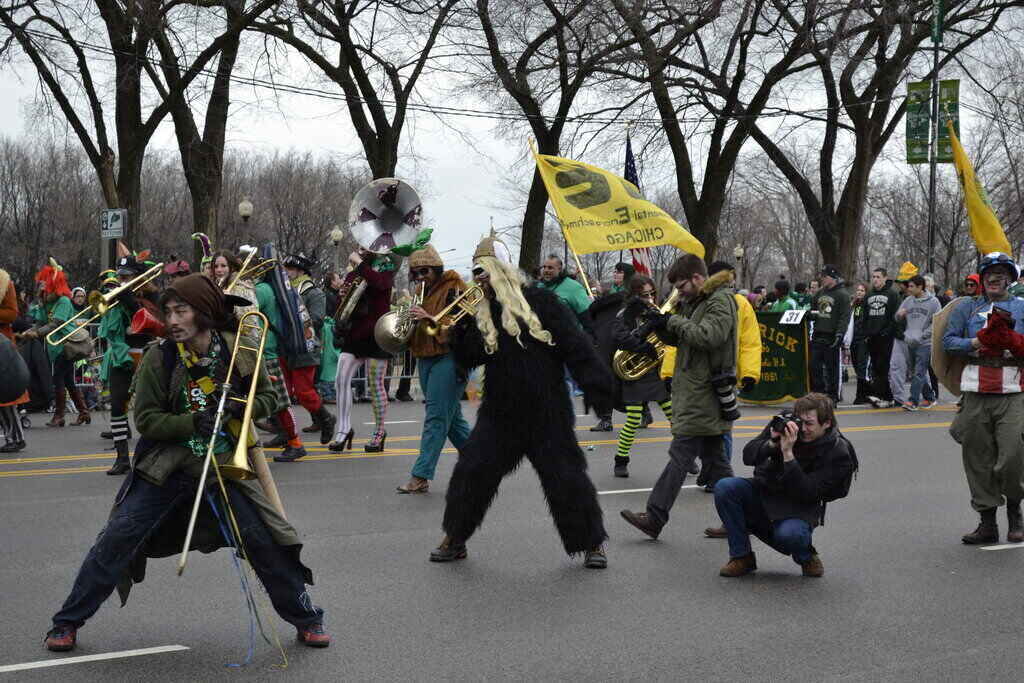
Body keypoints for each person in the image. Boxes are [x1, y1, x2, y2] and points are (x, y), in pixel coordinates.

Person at [43, 274, 329, 652]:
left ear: (204, 312)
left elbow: (271, 397)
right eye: (169, 312)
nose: (173, 320)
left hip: (221, 465)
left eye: (182, 311)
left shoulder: (235, 349)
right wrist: (192, 422)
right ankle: (66, 623)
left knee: (265, 540)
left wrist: (236, 408)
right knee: (117, 539)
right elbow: (145, 421)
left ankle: (308, 619)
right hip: (165, 466)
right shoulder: (158, 358)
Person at [430, 233, 613, 569]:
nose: (478, 279)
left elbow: (576, 346)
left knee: (567, 477)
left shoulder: (542, 303)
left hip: (548, 412)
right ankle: (455, 538)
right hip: (500, 414)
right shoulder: (478, 314)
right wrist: (452, 337)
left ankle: (592, 543)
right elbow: (470, 357)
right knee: (472, 471)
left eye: (484, 271)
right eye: (475, 272)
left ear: (503, 271)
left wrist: (598, 389)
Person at [619, 254, 738, 540]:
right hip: (698, 391)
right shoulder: (697, 302)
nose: (679, 292)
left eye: (682, 285)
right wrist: (656, 321)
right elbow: (680, 338)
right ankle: (742, 518)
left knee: (680, 456)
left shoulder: (720, 301)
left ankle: (655, 517)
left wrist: (672, 321)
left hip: (704, 393)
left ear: (698, 278)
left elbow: (709, 337)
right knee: (717, 463)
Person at [714, 393, 856, 577]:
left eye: (809, 423)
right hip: (767, 490)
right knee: (726, 488)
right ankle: (742, 557)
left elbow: (808, 491)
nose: (802, 429)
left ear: (827, 423)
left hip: (799, 506)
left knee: (790, 535)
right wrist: (772, 443)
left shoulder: (838, 452)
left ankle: (806, 555)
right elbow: (748, 456)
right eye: (800, 421)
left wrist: (788, 454)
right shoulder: (788, 424)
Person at [943, 252, 1024, 544]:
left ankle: (1015, 513)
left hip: (1012, 391)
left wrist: (1011, 341)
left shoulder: (1021, 307)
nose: (995, 277)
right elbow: (948, 342)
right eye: (990, 272)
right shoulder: (966, 308)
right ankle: (987, 521)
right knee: (977, 459)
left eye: (1002, 272)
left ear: (1010, 279)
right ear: (982, 278)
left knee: (1013, 454)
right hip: (975, 390)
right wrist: (977, 341)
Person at [393, 245, 472, 493]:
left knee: (436, 418)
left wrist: (427, 317)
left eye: (424, 271)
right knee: (452, 420)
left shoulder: (456, 287)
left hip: (448, 358)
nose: (420, 277)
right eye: (415, 273)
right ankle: (481, 460)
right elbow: (419, 330)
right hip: (424, 358)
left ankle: (421, 475)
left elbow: (457, 329)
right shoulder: (421, 290)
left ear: (437, 268)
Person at [100, 254, 163, 475]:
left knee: (149, 407)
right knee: (117, 405)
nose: (123, 280)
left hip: (145, 354)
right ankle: (121, 458)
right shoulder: (117, 296)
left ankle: (152, 456)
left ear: (138, 276)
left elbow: (151, 321)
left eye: (127, 276)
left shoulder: (152, 295)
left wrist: (129, 299)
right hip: (121, 355)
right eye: (120, 276)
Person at [329, 249, 395, 453]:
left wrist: (359, 265)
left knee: (375, 385)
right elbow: (344, 305)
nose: (363, 248)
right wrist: (341, 295)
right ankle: (343, 429)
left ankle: (379, 431)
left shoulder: (386, 266)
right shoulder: (353, 273)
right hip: (355, 334)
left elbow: (381, 284)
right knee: (340, 379)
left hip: (378, 334)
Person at [610, 276, 673, 478]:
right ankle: (621, 461)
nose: (650, 297)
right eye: (645, 294)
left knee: (674, 416)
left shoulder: (654, 311)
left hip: (654, 371)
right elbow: (620, 337)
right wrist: (643, 347)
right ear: (635, 295)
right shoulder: (625, 313)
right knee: (634, 418)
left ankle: (683, 457)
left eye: (652, 293)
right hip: (634, 373)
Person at [275, 253, 335, 459]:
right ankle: (285, 432)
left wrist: (293, 320)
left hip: (304, 347)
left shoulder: (314, 293)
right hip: (285, 347)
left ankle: (327, 420)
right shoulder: (283, 290)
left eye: (290, 269)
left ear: (300, 271)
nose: (287, 273)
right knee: (281, 392)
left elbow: (317, 319)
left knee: (303, 392)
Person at [22, 260, 91, 427]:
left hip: (67, 345)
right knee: (68, 380)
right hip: (55, 347)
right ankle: (84, 412)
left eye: (45, 282)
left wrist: (37, 332)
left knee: (58, 378)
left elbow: (56, 323)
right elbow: (40, 322)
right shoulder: (45, 302)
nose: (42, 285)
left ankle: (60, 415)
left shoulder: (64, 301)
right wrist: (29, 332)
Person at [587, 261, 635, 432]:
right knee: (607, 379)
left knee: (625, 381)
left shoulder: (628, 295)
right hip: (607, 342)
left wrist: (599, 302)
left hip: (621, 342)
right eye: (615, 271)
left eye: (620, 272)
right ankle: (606, 419)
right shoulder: (613, 293)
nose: (615, 274)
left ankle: (643, 412)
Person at [896, 275, 940, 411]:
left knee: (919, 372)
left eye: (911, 286)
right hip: (910, 342)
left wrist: (923, 335)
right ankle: (930, 397)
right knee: (915, 372)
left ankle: (913, 401)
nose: (908, 289)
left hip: (925, 343)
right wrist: (899, 315)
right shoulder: (908, 300)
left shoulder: (933, 302)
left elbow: (937, 322)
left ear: (920, 287)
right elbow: (897, 317)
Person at [878, 261, 918, 409]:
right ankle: (899, 398)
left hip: (915, 340)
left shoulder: (921, 299)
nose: (901, 285)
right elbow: (893, 317)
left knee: (918, 371)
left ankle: (928, 395)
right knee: (895, 368)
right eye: (900, 282)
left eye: (904, 282)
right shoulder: (898, 297)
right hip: (899, 338)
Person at [809, 265, 851, 404]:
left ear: (833, 278)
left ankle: (833, 395)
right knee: (814, 367)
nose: (822, 279)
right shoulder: (820, 293)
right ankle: (818, 395)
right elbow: (813, 309)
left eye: (825, 276)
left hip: (832, 336)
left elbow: (844, 317)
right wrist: (810, 316)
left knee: (832, 368)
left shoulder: (842, 294)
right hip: (818, 334)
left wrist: (840, 334)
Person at [0, 267, 28, 453]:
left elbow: (12, 313)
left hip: (2, 345)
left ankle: (16, 438)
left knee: (6, 396)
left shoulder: (4, 282)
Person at [863, 268, 900, 407]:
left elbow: (895, 316)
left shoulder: (892, 294)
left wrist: (887, 331)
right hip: (872, 337)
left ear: (885, 278)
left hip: (886, 337)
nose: (875, 279)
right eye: (873, 277)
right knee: (875, 367)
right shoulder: (869, 295)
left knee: (883, 366)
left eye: (878, 277)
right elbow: (864, 316)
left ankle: (883, 395)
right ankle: (885, 396)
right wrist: (865, 332)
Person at [849, 283, 871, 404]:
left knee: (862, 368)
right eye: (858, 290)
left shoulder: (868, 305)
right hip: (854, 339)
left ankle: (861, 395)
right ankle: (868, 391)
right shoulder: (854, 305)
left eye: (862, 290)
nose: (859, 292)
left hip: (864, 339)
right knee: (856, 366)